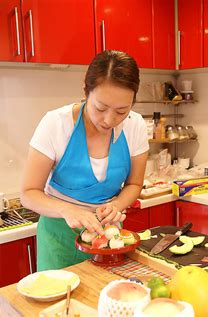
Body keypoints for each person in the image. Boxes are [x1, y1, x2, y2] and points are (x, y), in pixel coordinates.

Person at [21, 50, 149, 271]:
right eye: (100, 108)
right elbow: (29, 193)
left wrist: (117, 205)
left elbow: (134, 184)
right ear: (85, 91)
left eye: (121, 111)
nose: (109, 120)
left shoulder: (135, 125)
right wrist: (67, 210)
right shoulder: (56, 124)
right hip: (58, 239)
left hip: (108, 238)